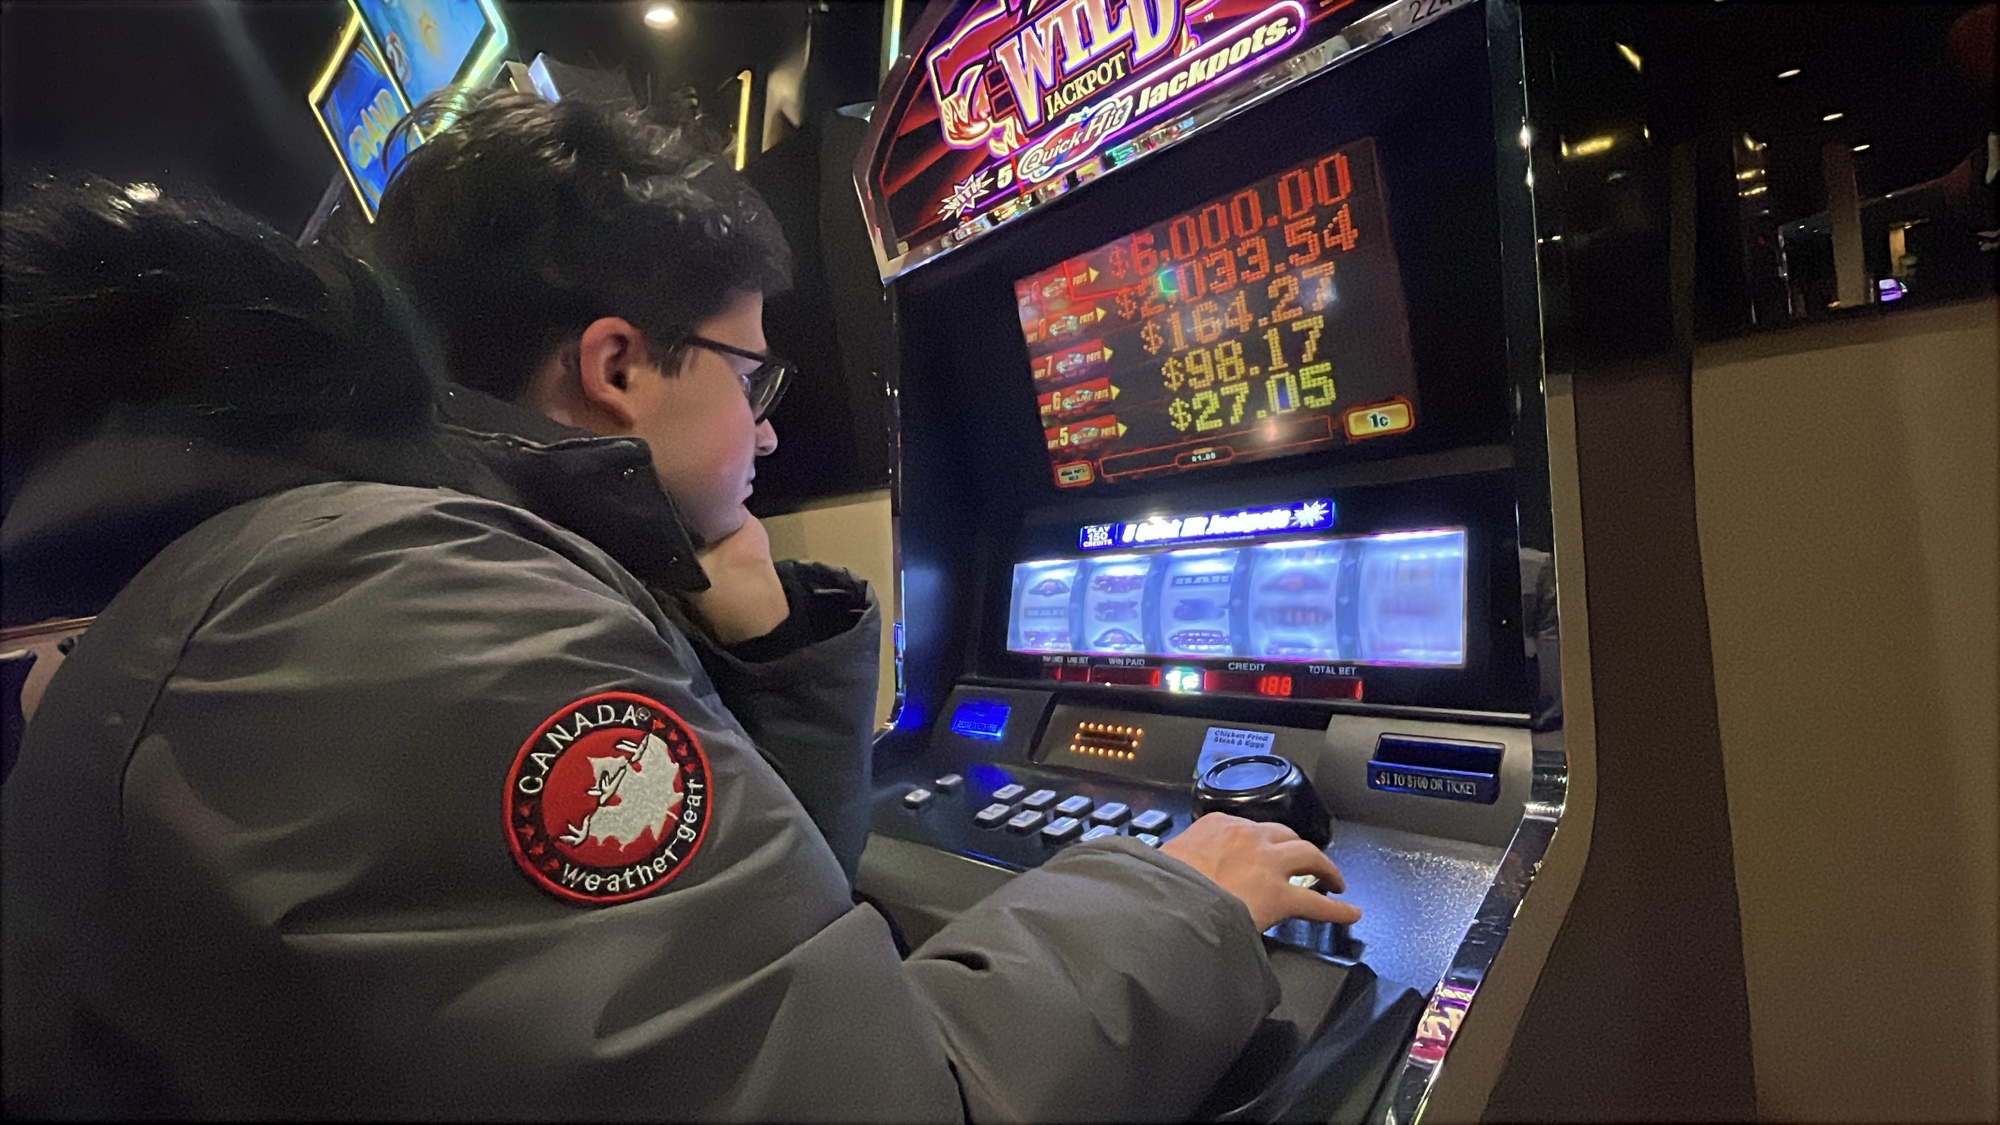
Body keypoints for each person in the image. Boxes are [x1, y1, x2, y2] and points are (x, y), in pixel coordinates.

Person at [1, 103, 1357, 1125]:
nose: (764, 433)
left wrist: (771, 654)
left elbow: (737, 967)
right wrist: (1180, 896)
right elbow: (860, 1095)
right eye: (752, 376)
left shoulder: (367, 558)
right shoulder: (410, 606)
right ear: (613, 366)